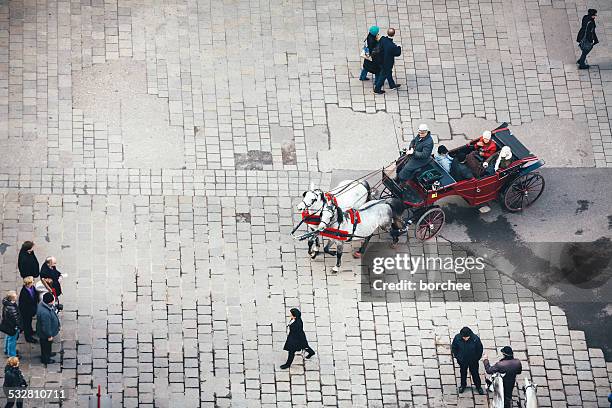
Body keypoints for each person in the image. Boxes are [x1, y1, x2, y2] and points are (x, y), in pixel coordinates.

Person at [451, 327, 484, 394]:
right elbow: (454, 348)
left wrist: (476, 359)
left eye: (467, 337)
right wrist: (458, 357)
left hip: (473, 361)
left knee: (475, 374)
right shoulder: (457, 338)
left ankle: (478, 386)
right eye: (464, 337)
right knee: (463, 373)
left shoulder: (475, 339)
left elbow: (479, 350)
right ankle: (463, 385)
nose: (465, 339)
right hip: (462, 361)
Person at [374, 28, 402, 94]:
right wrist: (399, 47)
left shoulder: (383, 39)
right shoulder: (392, 46)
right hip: (387, 63)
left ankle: (392, 85)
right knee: (383, 75)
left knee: (388, 73)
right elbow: (397, 53)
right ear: (394, 34)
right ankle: (377, 89)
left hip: (380, 60)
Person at [36, 293, 60, 365]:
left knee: (47, 345)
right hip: (45, 334)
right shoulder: (45, 313)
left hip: (44, 332)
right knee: (46, 346)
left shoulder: (43, 304)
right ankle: (46, 359)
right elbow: (46, 326)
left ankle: (48, 354)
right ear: (49, 302)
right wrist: (49, 335)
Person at [1, 292, 22, 358]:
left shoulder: (7, 303)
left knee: (8, 337)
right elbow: (16, 320)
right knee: (12, 341)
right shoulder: (11, 308)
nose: (17, 297)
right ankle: (12, 355)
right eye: (15, 296)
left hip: (8, 325)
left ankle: (6, 350)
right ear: (12, 298)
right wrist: (20, 326)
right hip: (12, 327)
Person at [18, 277, 37, 344]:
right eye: (32, 281)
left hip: (31, 309)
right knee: (26, 324)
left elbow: (35, 295)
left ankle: (31, 331)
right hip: (26, 312)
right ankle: (28, 337)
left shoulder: (32, 287)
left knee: (30, 322)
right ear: (28, 283)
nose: (33, 282)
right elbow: (23, 306)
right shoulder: (24, 292)